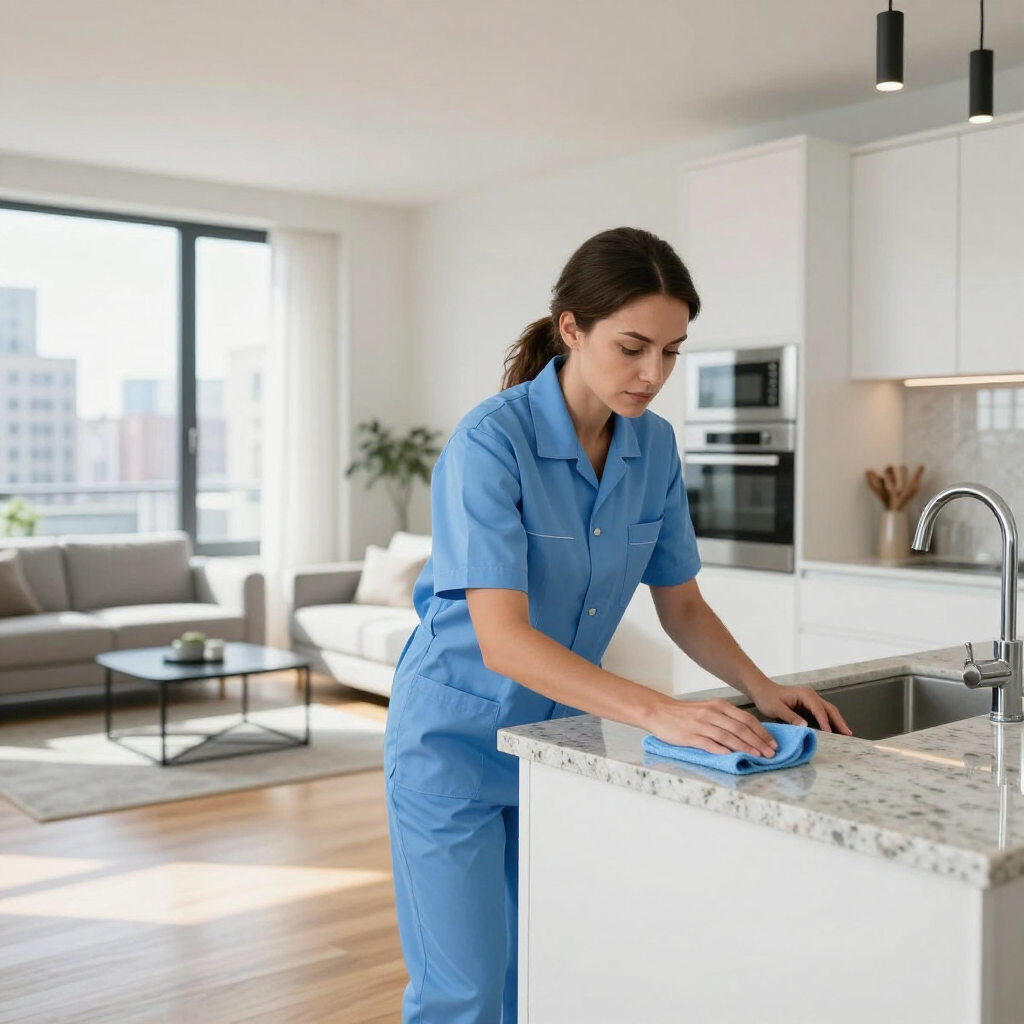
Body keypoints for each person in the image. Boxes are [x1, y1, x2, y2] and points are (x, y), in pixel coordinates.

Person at [383, 226, 852, 1024]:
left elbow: (682, 603)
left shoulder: (655, 446)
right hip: (450, 745)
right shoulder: (490, 444)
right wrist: (659, 710)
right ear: (571, 328)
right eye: (634, 346)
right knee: (460, 992)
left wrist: (761, 688)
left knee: (535, 975)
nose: (653, 374)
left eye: (671, 352)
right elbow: (503, 639)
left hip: (558, 744)